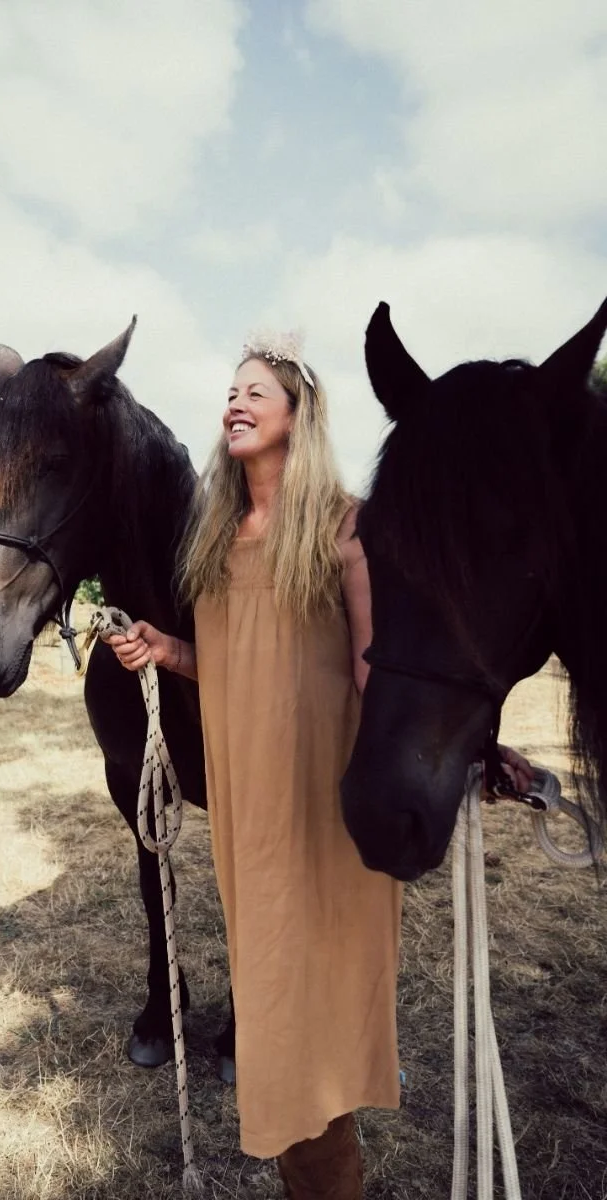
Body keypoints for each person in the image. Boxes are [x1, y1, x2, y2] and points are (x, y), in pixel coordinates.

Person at [106, 333, 532, 1199]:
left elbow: (385, 669)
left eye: (257, 392)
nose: (236, 402)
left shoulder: (347, 528)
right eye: (230, 390)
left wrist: (470, 748)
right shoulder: (216, 538)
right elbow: (242, 657)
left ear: (298, 417)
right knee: (273, 1012)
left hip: (324, 808)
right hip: (247, 809)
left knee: (306, 1044)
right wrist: (169, 649)